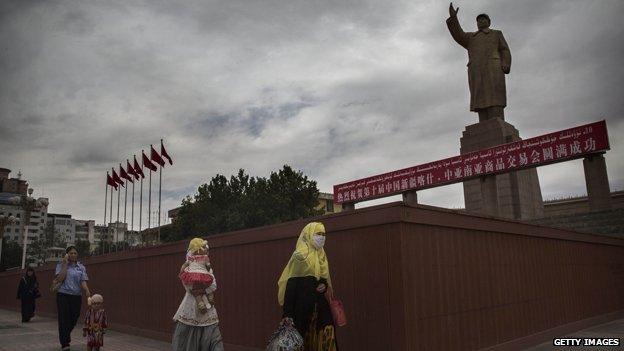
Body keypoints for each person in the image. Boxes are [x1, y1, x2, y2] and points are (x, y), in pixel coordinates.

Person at [446, 2, 512, 122]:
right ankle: (484, 123)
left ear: (489, 22)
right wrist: (454, 19)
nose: (481, 22)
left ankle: (497, 121)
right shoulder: (471, 37)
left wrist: (506, 64)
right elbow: (458, 34)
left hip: (493, 68)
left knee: (494, 96)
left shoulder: (496, 34)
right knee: (480, 97)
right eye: (478, 20)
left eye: (483, 19)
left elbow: (504, 49)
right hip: (477, 70)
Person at [278, 222, 338, 350]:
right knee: (301, 342)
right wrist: (287, 314)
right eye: (318, 234)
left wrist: (324, 285)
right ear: (309, 234)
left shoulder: (322, 255)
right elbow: (291, 284)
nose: (322, 237)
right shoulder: (300, 255)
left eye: (324, 234)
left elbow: (323, 280)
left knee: (327, 337)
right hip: (302, 309)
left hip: (320, 308)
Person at [172, 238, 224, 351]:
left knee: (214, 339)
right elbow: (188, 287)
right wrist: (204, 289)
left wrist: (199, 290)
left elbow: (214, 285)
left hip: (207, 311)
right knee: (185, 340)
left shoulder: (208, 270)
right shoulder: (188, 269)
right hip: (190, 309)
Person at [54, 246, 92, 351]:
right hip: (63, 295)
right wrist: (65, 265)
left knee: (74, 318)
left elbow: (83, 280)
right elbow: (59, 278)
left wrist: (87, 290)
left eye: (75, 253)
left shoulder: (81, 267)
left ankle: (65, 335)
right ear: (67, 255)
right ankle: (65, 343)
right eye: (71, 253)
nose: (73, 255)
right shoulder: (61, 265)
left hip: (76, 296)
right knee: (63, 319)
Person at [179, 238, 215, 314]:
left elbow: (184, 266)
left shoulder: (191, 258)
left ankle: (201, 304)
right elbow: (208, 266)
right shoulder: (205, 257)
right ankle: (210, 298)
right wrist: (208, 269)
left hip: (193, 277)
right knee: (209, 286)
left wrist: (181, 271)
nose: (206, 250)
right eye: (204, 248)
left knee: (196, 291)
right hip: (203, 276)